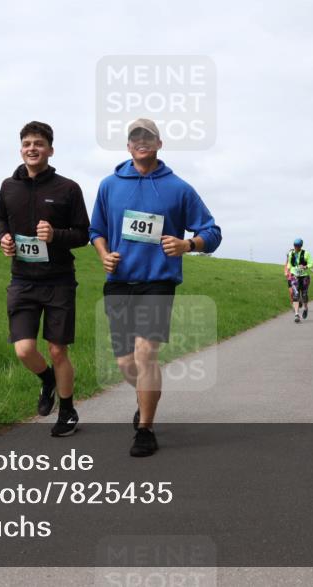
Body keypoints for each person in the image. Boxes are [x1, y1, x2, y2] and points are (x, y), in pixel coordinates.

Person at [89, 118, 221, 457]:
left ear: (159, 144)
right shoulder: (109, 185)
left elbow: (212, 232)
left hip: (158, 282)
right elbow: (96, 230)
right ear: (128, 146)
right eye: (135, 137)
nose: (141, 142)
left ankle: (145, 429)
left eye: (148, 137)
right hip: (119, 282)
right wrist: (104, 254)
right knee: (125, 363)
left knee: (146, 354)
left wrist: (187, 245)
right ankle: (144, 396)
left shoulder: (178, 188)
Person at [0, 121, 90, 437]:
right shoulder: (8, 187)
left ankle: (67, 411)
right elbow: (2, 221)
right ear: (20, 149)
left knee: (57, 350)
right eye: (27, 144)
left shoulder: (68, 188)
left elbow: (83, 234)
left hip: (59, 280)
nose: (32, 148)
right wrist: (3, 239)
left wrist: (55, 235)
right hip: (22, 280)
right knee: (24, 349)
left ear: (50, 150)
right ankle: (47, 379)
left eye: (38, 143)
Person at [284, 238, 313, 323]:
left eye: (298, 246)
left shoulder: (306, 253)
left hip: (304, 277)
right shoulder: (291, 253)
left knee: (304, 295)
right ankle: (296, 314)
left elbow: (312, 263)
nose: (296, 247)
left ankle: (305, 308)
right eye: (295, 246)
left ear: (301, 246)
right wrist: (288, 271)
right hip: (294, 276)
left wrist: (305, 266)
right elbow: (289, 264)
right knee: (296, 295)